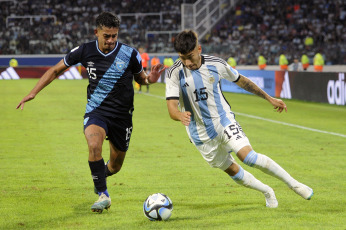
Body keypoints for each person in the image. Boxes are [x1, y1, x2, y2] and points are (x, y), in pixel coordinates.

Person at [16, 12, 165, 213]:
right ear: (97, 32)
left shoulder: (130, 53)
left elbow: (141, 79)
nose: (111, 40)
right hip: (97, 110)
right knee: (94, 145)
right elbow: (55, 70)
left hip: (122, 116)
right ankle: (103, 194)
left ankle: (99, 178)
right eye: (107, 36)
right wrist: (33, 92)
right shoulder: (85, 50)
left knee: (115, 165)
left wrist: (150, 80)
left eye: (114, 36)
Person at [165, 30, 313, 208]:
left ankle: (295, 185)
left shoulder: (216, 64)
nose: (187, 62)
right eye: (182, 58)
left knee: (248, 156)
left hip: (223, 120)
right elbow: (172, 108)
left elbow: (242, 81)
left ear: (199, 48)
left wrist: (269, 98)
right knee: (232, 170)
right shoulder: (174, 72)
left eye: (190, 56)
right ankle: (267, 191)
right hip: (200, 133)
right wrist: (179, 115)